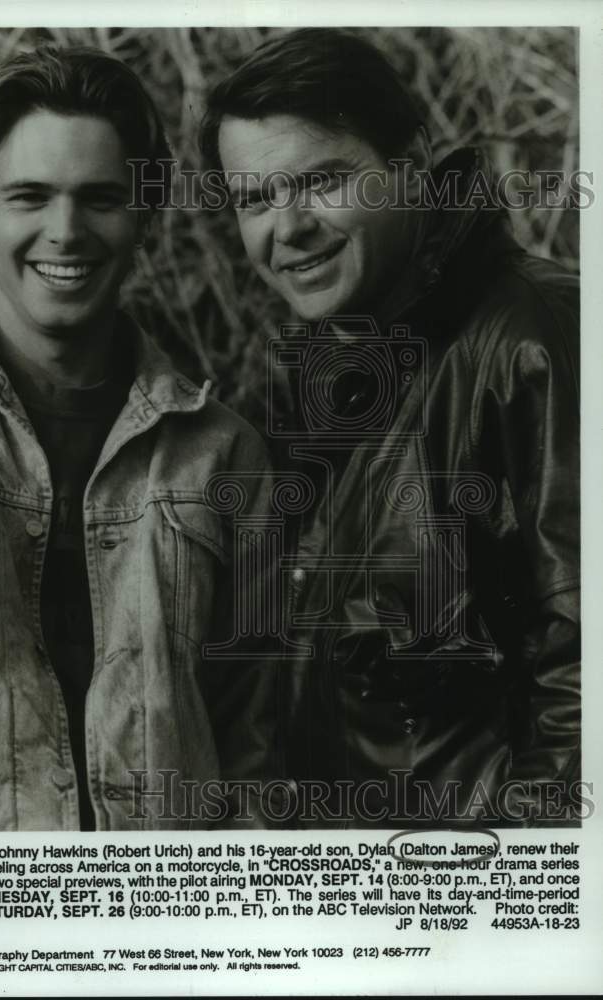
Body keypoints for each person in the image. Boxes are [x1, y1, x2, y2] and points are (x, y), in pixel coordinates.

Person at [0, 45, 276, 832]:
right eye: (29, 196)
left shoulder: (224, 454)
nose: (65, 232)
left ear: (145, 214)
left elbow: (259, 745)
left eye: (101, 199)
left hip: (161, 919)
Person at [200, 28, 581, 825]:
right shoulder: (334, 367)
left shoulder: (541, 339)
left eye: (322, 181)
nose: (288, 227)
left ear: (410, 165)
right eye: (255, 200)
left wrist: (525, 913)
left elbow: (583, 679)